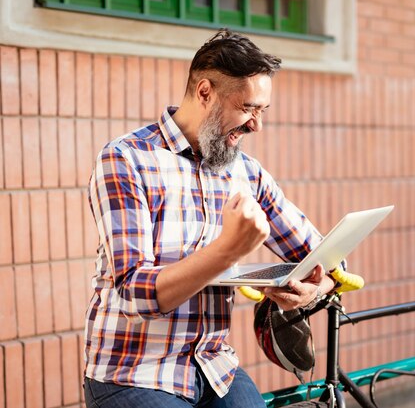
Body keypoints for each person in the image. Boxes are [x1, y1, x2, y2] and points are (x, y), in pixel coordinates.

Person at [83, 28, 339, 408]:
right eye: (248, 108)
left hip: (213, 366)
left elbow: (325, 253)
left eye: (262, 111)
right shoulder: (125, 160)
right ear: (205, 92)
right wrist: (227, 250)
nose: (257, 125)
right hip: (132, 371)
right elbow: (136, 295)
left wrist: (314, 288)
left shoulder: (247, 173)